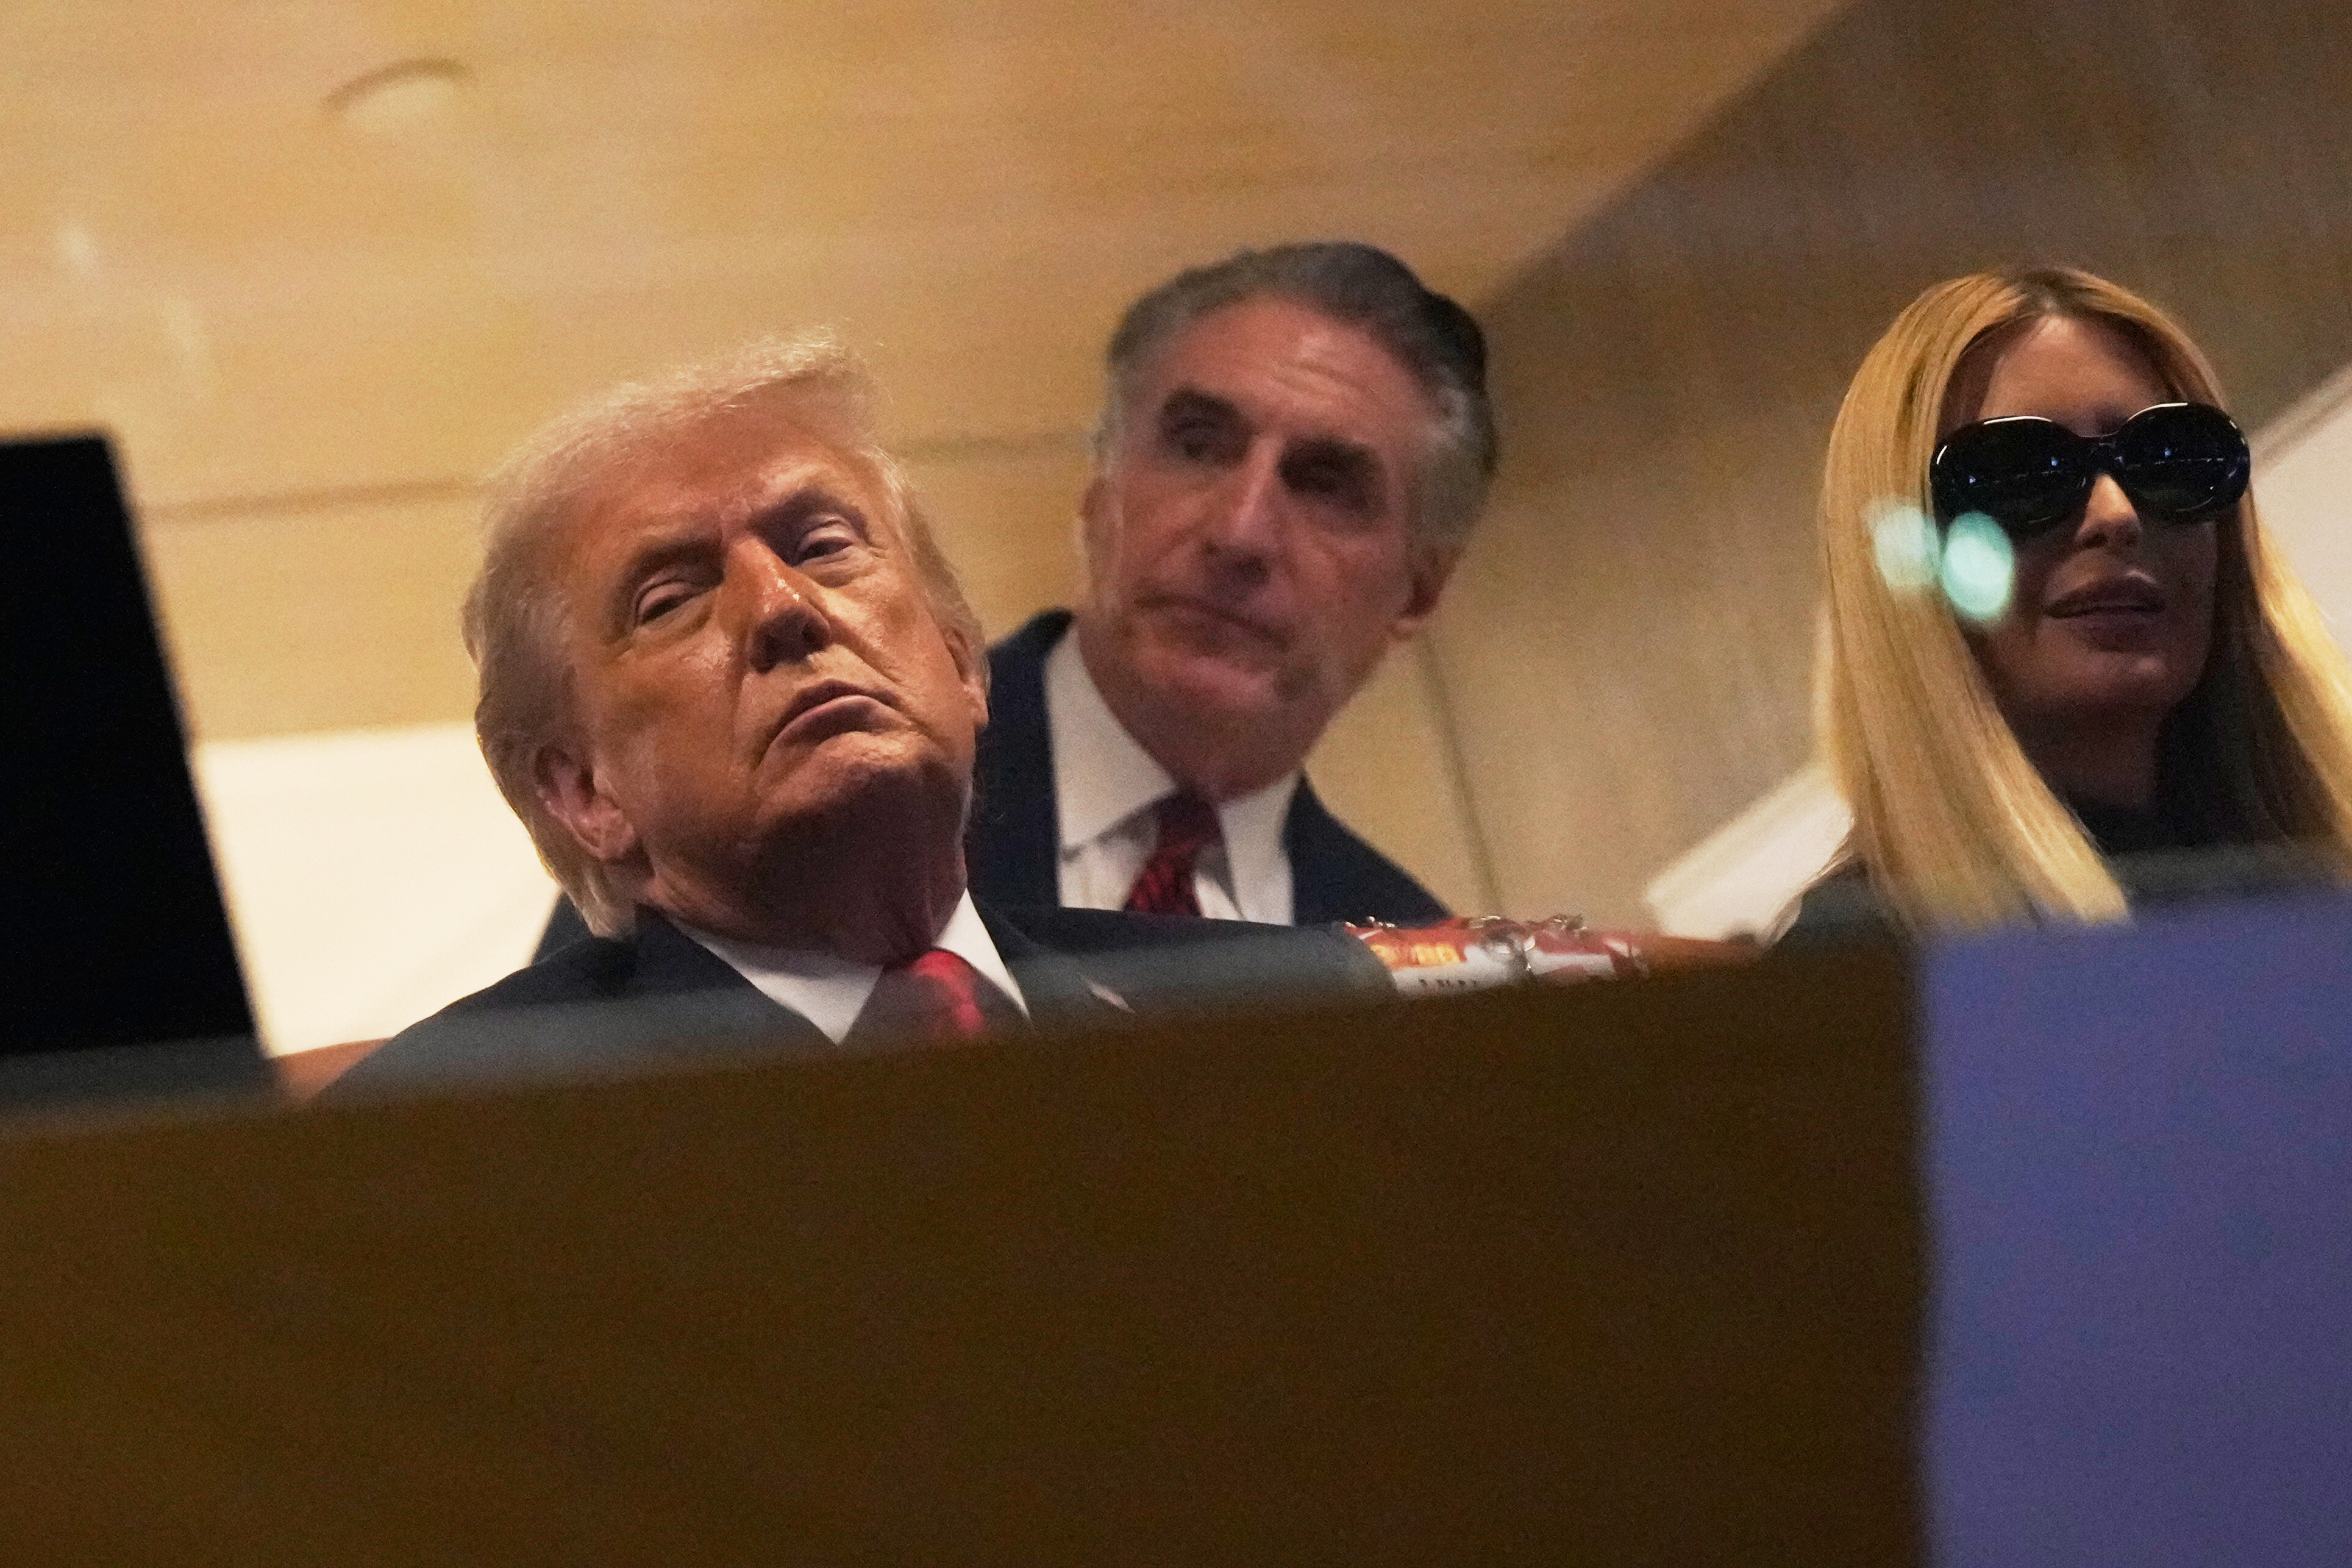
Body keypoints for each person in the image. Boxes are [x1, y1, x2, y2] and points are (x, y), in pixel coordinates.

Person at [338, 335, 1389, 1091]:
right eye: (672, 598)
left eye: (822, 545)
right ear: (582, 791)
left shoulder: (1293, 1017)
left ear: (960, 659)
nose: (784, 608)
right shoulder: (450, 1123)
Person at [1796, 265, 2352, 937]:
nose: (2116, 514)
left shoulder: (2306, 869)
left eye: (2170, 460)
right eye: (2020, 476)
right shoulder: (1864, 961)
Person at [969, 241, 1495, 927]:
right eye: (1197, 445)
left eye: (1325, 486)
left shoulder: (1422, 981)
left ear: (1420, 590)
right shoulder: (841, 782)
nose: (1240, 533)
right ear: (1101, 489)